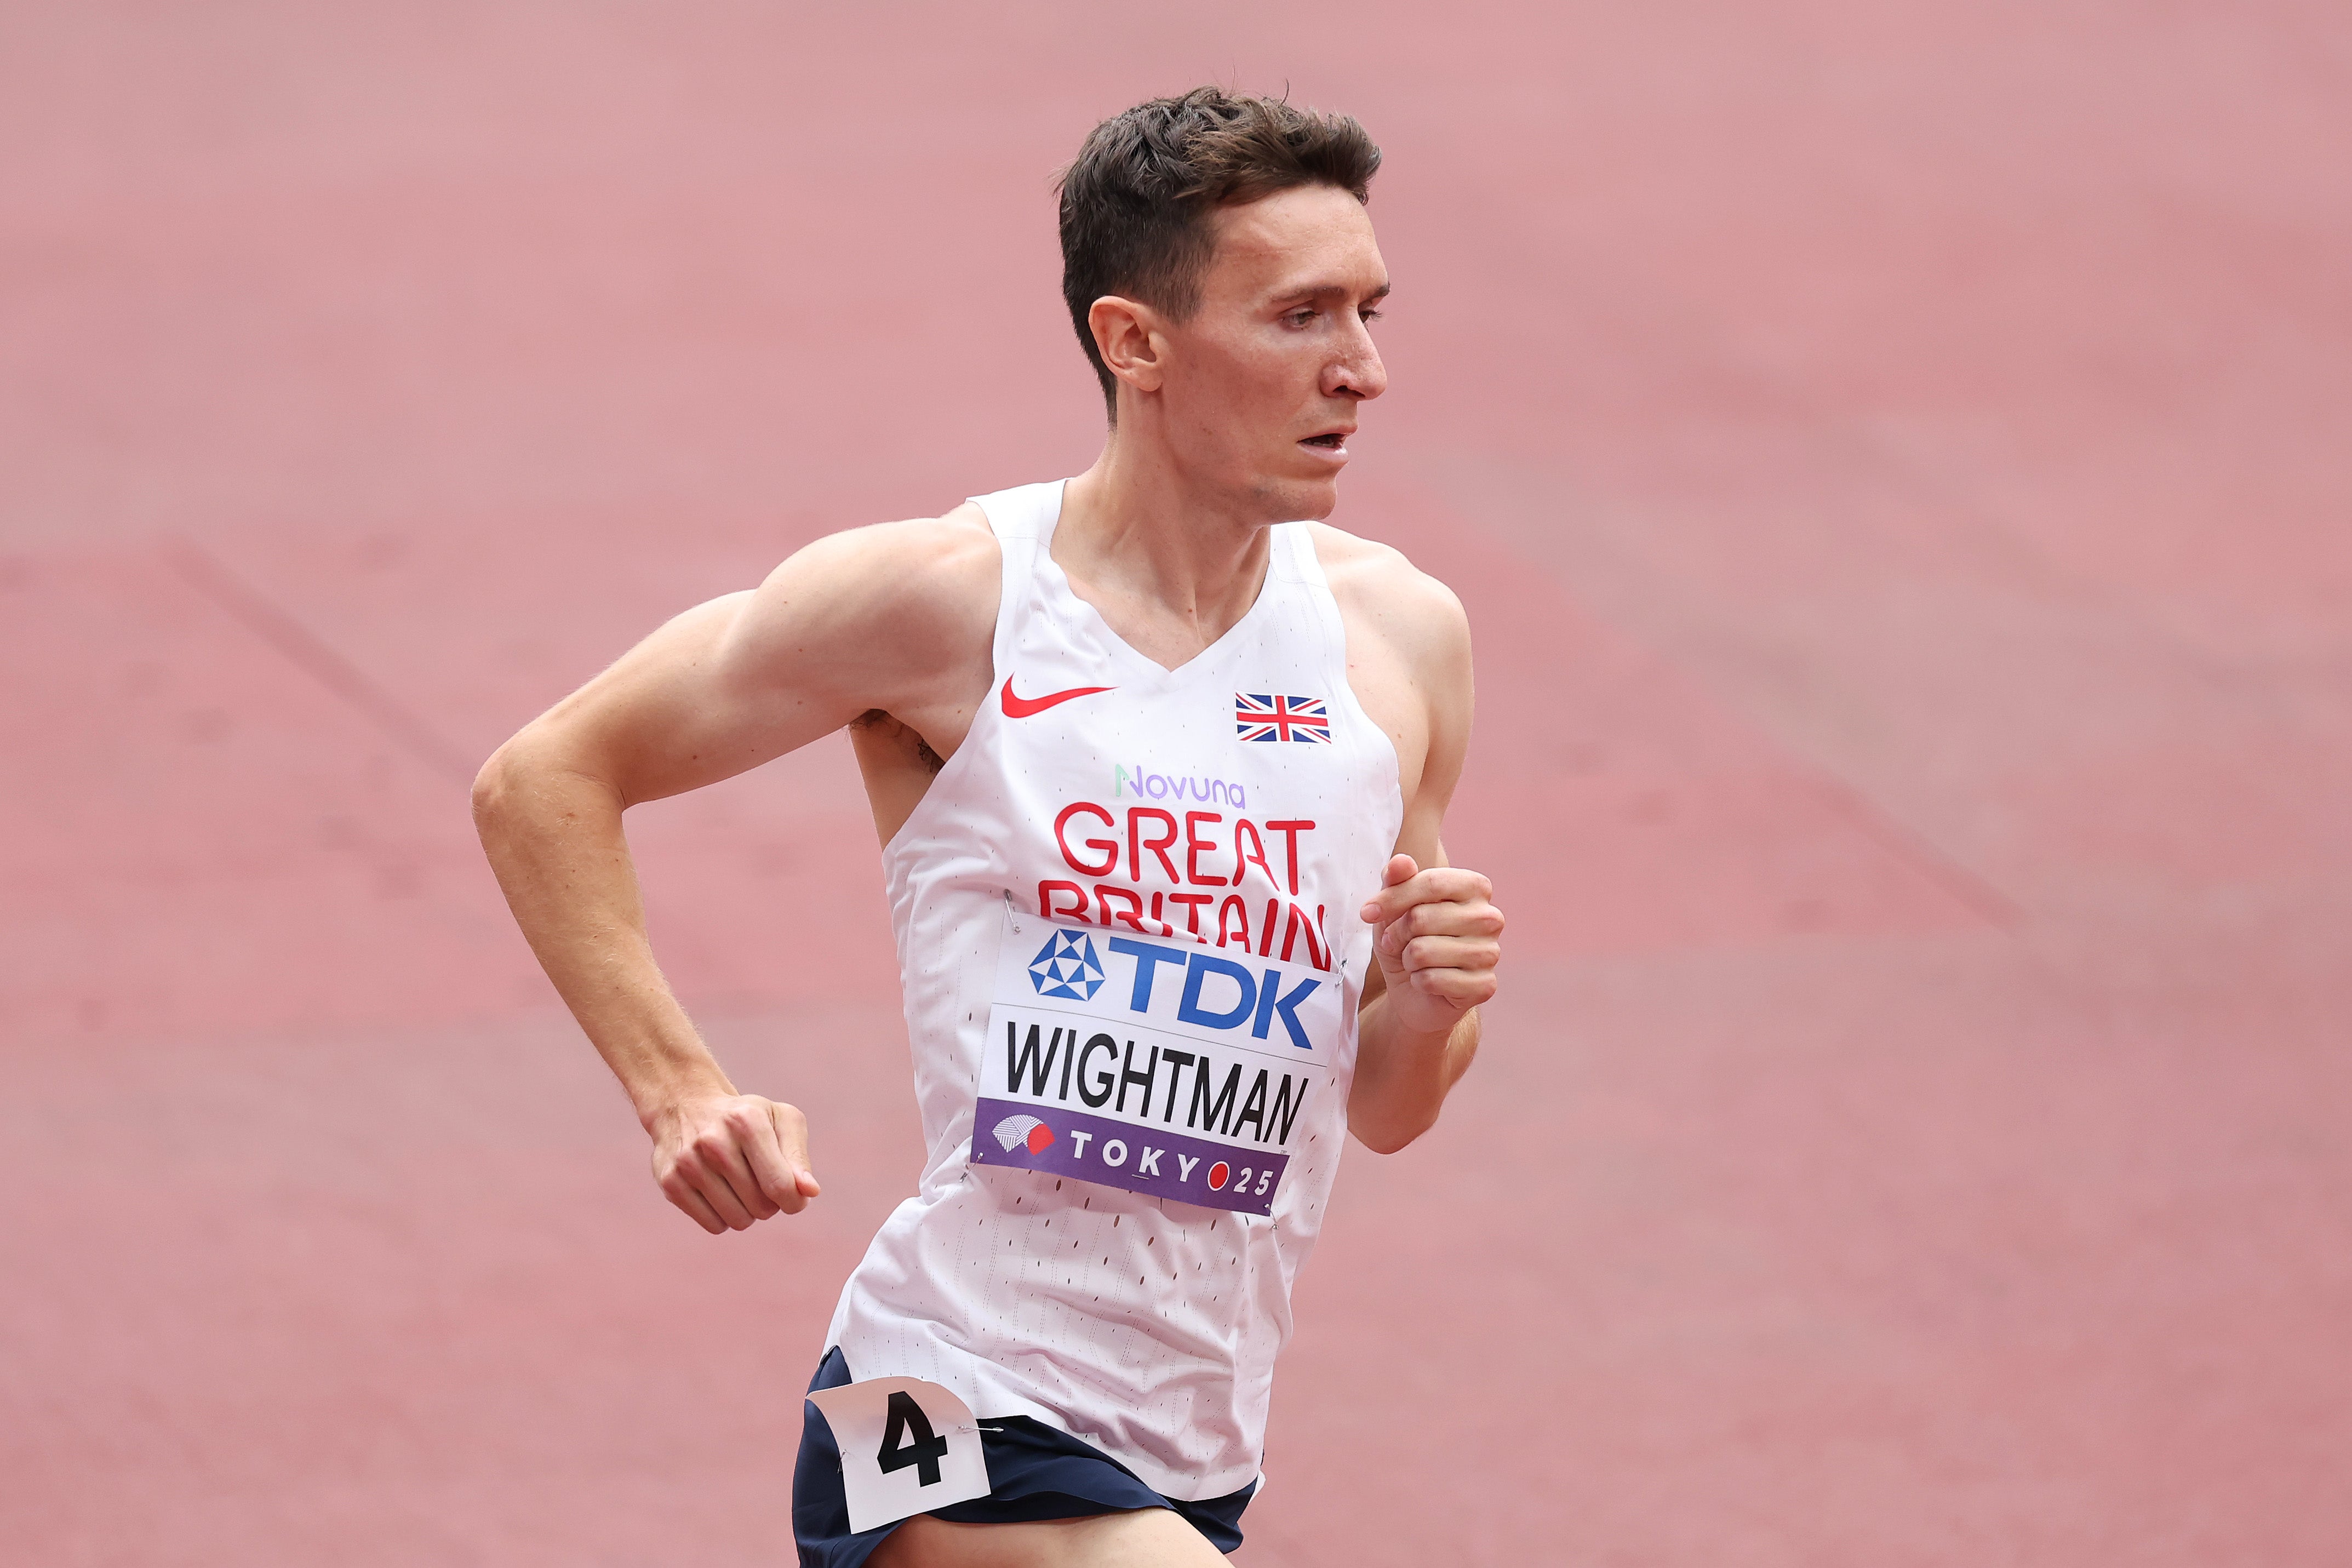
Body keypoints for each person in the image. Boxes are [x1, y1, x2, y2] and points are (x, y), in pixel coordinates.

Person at [473, 86, 1504, 1567]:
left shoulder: (1397, 643)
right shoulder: (950, 603)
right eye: (1301, 318)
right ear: (1133, 341)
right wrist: (679, 1091)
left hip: (1200, 1443)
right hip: (936, 1397)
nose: (1364, 370)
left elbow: (1392, 1109)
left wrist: (1429, 999)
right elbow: (545, 779)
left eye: (1370, 310)